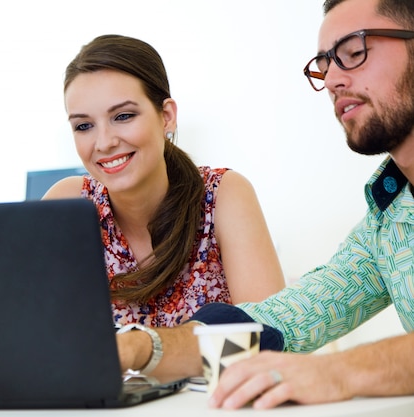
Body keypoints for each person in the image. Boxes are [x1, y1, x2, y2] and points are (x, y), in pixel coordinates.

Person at [203, 0, 414, 409]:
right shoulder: (388, 219)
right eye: (324, 64)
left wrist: (336, 372)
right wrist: (147, 345)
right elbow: (293, 315)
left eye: (355, 52)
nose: (333, 78)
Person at [43, 34, 285, 377]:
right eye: (84, 125)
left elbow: (271, 341)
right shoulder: (68, 205)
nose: (104, 142)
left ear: (166, 116)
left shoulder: (223, 195)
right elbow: (30, 340)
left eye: (123, 116)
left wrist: (143, 352)